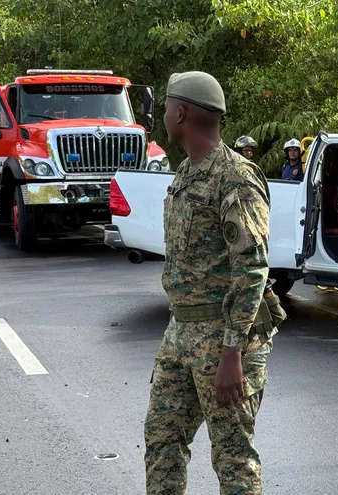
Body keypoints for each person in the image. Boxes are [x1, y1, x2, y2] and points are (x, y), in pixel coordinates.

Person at [145, 71, 284, 495]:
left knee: (232, 456)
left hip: (224, 340)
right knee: (161, 439)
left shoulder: (235, 177)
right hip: (181, 332)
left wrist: (231, 352)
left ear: (182, 112)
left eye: (167, 107)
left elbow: (253, 268)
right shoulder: (187, 172)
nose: (164, 114)